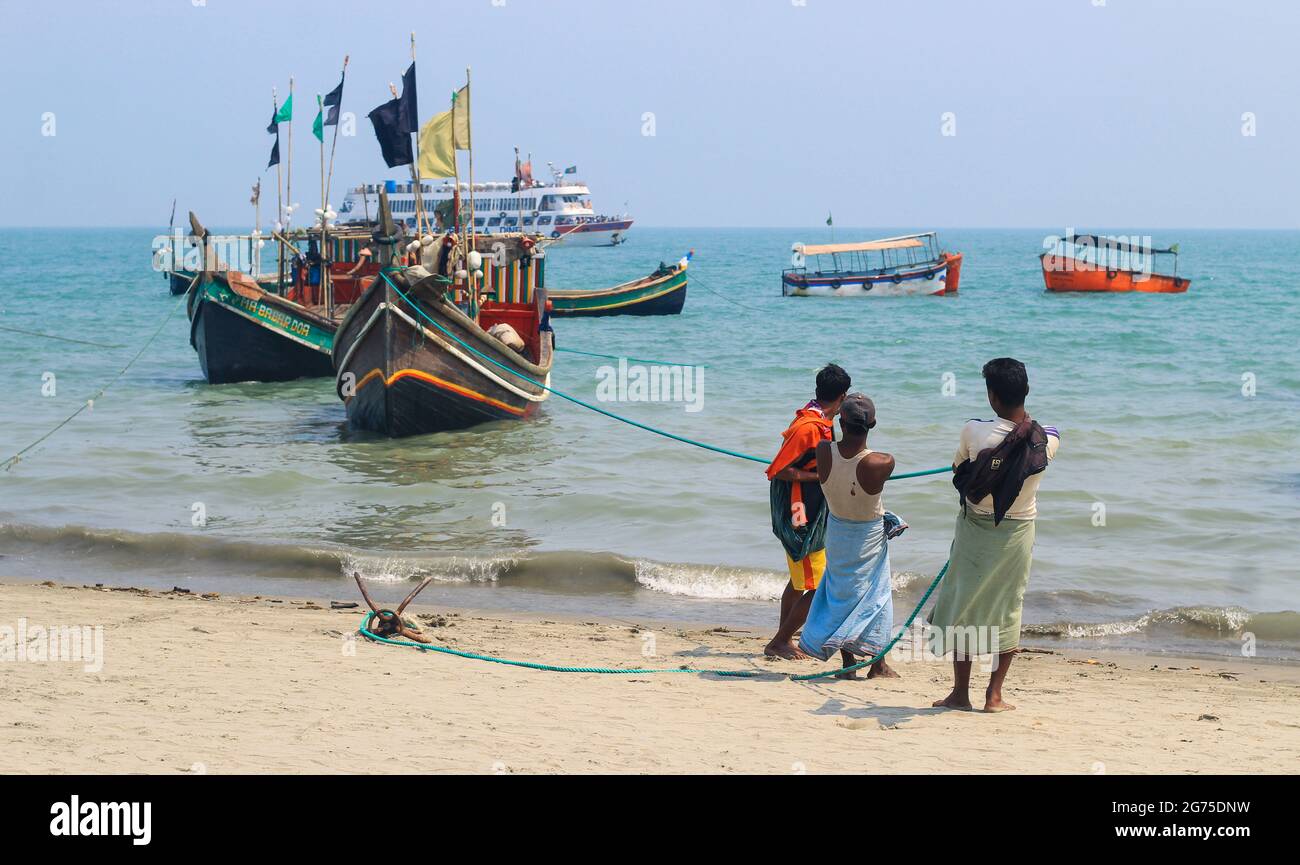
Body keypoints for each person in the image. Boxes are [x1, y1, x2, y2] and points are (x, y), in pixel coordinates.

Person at [928, 358, 1060, 712]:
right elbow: (1055, 430)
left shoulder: (973, 431)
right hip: (1018, 532)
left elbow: (959, 468)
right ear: (1026, 392)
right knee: (1008, 606)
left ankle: (959, 694)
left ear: (992, 397)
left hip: (974, 528)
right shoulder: (1044, 441)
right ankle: (995, 695)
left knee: (964, 603)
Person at [798, 393, 903, 679]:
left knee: (842, 593)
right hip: (866, 535)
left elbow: (838, 452)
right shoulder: (881, 462)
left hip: (837, 529)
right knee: (875, 596)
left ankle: (848, 664)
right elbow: (870, 464)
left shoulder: (823, 451)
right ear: (874, 423)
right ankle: (877, 664)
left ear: (840, 422)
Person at [763, 364, 850, 659]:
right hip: (800, 513)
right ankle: (779, 640)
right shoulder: (809, 427)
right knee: (819, 585)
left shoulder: (819, 419)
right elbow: (778, 470)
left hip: (807, 508)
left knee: (799, 579)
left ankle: (782, 637)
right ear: (842, 396)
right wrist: (822, 477)